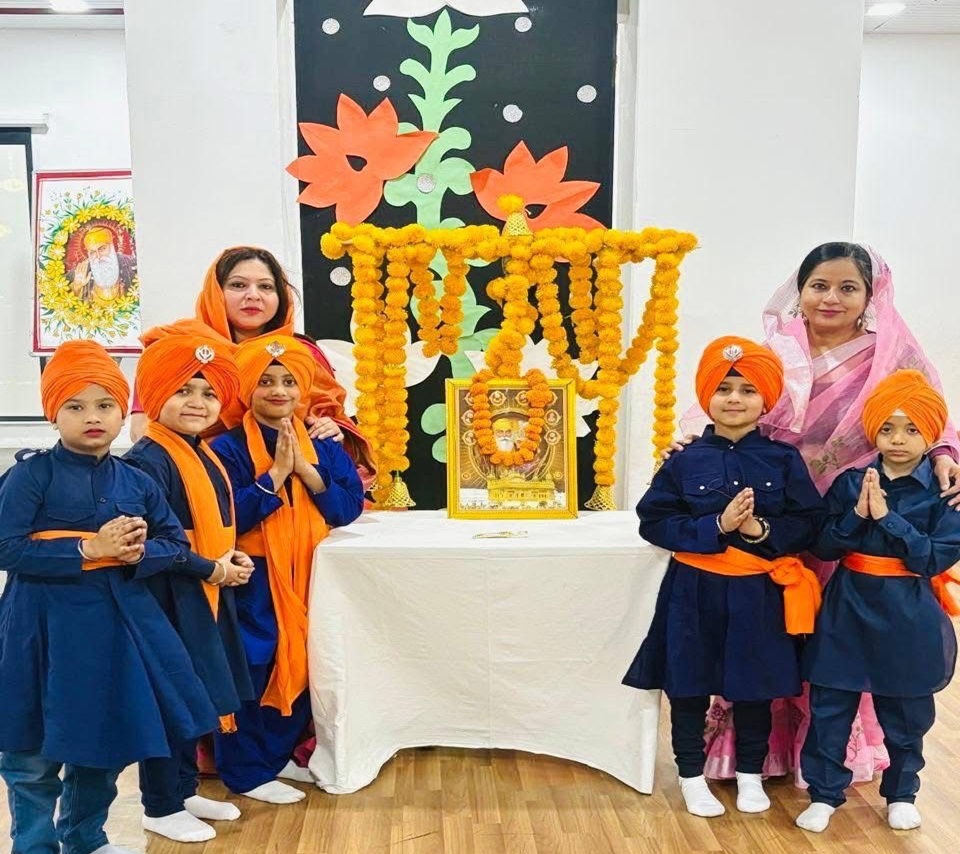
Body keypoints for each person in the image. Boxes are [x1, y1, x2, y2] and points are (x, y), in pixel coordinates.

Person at [672, 243, 960, 782]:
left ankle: (829, 755)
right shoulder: (779, 349)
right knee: (766, 623)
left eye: (848, 288)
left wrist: (945, 454)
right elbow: (733, 404)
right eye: (819, 286)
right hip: (775, 505)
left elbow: (926, 412)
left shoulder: (890, 353)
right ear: (799, 290)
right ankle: (757, 750)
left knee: (838, 630)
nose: (832, 298)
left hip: (853, 508)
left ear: (870, 296)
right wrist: (693, 448)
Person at [0, 340, 217, 854]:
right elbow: (6, 547)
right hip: (40, 629)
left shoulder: (137, 481)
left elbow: (174, 544)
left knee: (105, 743)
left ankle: (86, 839)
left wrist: (138, 552)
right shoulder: (29, 475)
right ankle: (34, 846)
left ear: (124, 413)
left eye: (105, 405)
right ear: (53, 414)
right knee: (31, 756)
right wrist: (88, 548)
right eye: (75, 406)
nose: (92, 417)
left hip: (117, 630)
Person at [623, 337, 824, 817]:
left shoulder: (783, 459)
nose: (735, 398)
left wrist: (760, 530)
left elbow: (810, 523)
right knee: (688, 684)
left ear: (766, 400)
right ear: (706, 395)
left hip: (758, 593)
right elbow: (654, 521)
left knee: (755, 685)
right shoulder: (683, 459)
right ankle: (691, 777)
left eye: (748, 390)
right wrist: (716, 526)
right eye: (724, 388)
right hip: (693, 590)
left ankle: (751, 775)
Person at [796, 370, 960, 833]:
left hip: (908, 611)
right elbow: (823, 547)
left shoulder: (945, 491)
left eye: (911, 428)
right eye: (887, 428)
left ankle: (902, 794)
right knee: (830, 706)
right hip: (846, 607)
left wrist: (888, 519)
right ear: (873, 431)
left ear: (931, 433)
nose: (898, 439)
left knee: (906, 712)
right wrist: (855, 515)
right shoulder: (850, 482)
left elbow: (933, 559)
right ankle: (824, 794)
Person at [211, 335, 364, 803]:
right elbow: (227, 516)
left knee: (304, 662)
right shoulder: (226, 448)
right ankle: (244, 772)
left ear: (303, 389)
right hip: (252, 578)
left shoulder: (322, 444)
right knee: (255, 667)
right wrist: (276, 475)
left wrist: (307, 470)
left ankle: (273, 759)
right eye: (265, 381)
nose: (278, 391)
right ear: (247, 389)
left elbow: (346, 508)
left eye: (289, 381)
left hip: (311, 574)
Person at [125, 335, 257, 843]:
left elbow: (215, 525)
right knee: (170, 698)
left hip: (201, 590)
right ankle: (159, 804)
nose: (197, 403)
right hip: (167, 596)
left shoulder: (201, 452)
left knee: (194, 692)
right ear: (157, 393)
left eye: (208, 392)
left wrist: (231, 556)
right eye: (183, 390)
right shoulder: (148, 460)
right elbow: (151, 545)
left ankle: (182, 790)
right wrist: (211, 569)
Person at [131, 246, 374, 489]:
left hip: (296, 487)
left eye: (266, 287)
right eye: (238, 285)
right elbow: (142, 430)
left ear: (280, 296)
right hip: (196, 483)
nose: (253, 295)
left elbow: (334, 422)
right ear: (216, 292)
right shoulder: (174, 348)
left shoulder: (302, 354)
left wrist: (331, 428)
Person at [68, 225, 137, 304]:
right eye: (93, 252)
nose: (98, 256)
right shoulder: (81, 273)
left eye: (102, 249)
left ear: (113, 247)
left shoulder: (132, 266)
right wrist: (76, 287)